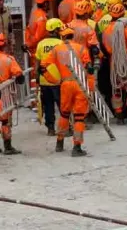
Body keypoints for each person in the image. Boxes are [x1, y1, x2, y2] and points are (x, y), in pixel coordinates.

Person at [42, 24, 91, 157]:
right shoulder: (81, 48)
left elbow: (42, 67)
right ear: (73, 35)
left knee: (64, 114)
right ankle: (77, 147)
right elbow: (90, 68)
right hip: (80, 83)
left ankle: (59, 142)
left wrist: (52, 80)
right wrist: (90, 86)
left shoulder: (56, 49)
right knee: (79, 117)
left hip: (65, 84)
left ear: (62, 36)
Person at [100, 2, 127, 121]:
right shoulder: (125, 28)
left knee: (116, 87)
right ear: (122, 14)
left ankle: (119, 114)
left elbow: (104, 46)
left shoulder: (106, 29)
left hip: (113, 61)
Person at [34, 20, 64, 136]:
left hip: (44, 79)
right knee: (62, 105)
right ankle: (65, 127)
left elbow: (37, 62)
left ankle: (50, 128)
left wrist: (37, 77)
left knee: (48, 105)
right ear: (56, 30)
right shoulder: (61, 43)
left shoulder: (41, 44)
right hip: (58, 79)